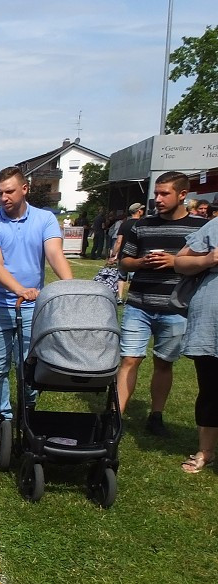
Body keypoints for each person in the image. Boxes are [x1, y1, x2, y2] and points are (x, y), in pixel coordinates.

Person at [0, 166, 73, 439]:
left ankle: (28, 409)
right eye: (0, 193)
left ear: (24, 189)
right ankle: (1, 416)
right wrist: (20, 289)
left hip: (33, 306)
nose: (3, 198)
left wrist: (71, 288)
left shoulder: (44, 219)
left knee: (30, 364)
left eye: (9, 191)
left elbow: (54, 254)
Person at [115, 171, 205, 436]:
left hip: (175, 308)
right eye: (156, 193)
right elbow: (124, 261)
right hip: (139, 304)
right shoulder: (141, 225)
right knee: (129, 359)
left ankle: (156, 414)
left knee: (164, 363)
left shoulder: (198, 228)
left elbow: (202, 264)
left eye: (165, 193)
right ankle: (116, 417)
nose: (158, 199)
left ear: (183, 195)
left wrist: (174, 262)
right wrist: (142, 262)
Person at [173, 216, 218, 471]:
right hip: (212, 321)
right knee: (211, 387)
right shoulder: (215, 226)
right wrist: (208, 260)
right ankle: (206, 451)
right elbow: (180, 262)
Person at [109, 202, 145, 303]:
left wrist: (114, 254)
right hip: (137, 256)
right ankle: (131, 297)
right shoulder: (142, 224)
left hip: (123, 255)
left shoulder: (124, 224)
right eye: (142, 209)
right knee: (134, 278)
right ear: (139, 211)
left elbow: (119, 241)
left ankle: (120, 297)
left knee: (121, 277)